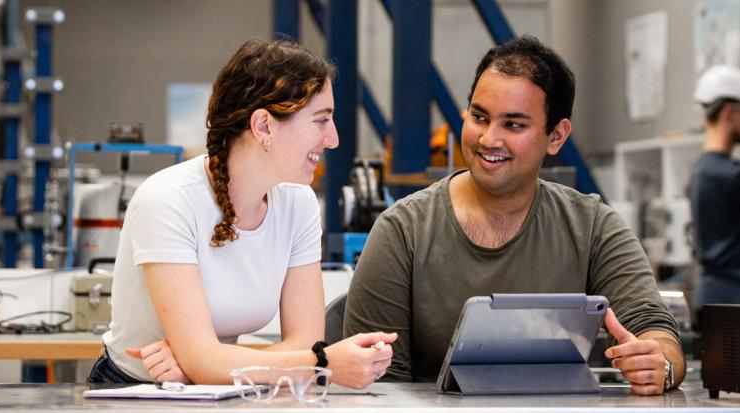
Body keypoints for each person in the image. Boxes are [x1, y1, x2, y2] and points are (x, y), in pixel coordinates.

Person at [343, 35, 685, 395]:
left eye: (514, 124)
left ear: (556, 136)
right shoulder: (402, 231)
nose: (489, 139)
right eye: (479, 117)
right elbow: (376, 386)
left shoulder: (593, 227)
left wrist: (658, 363)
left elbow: (656, 329)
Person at [86, 38, 396, 389]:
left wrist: (208, 365)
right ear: (263, 125)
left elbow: (300, 345)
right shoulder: (167, 200)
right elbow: (304, 355)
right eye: (321, 121)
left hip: (226, 390)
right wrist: (323, 364)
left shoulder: (298, 204)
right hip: (131, 390)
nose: (333, 139)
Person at [690, 65, 740, 308]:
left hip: (711, 295)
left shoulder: (702, 169)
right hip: (733, 298)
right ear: (729, 113)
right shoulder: (729, 175)